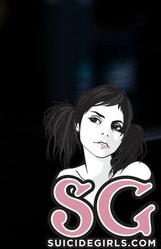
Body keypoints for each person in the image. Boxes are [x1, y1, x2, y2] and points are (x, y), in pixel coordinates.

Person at [46, 85, 151, 219]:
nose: (105, 133)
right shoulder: (66, 179)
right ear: (77, 124)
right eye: (95, 120)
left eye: (116, 126)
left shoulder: (137, 171)